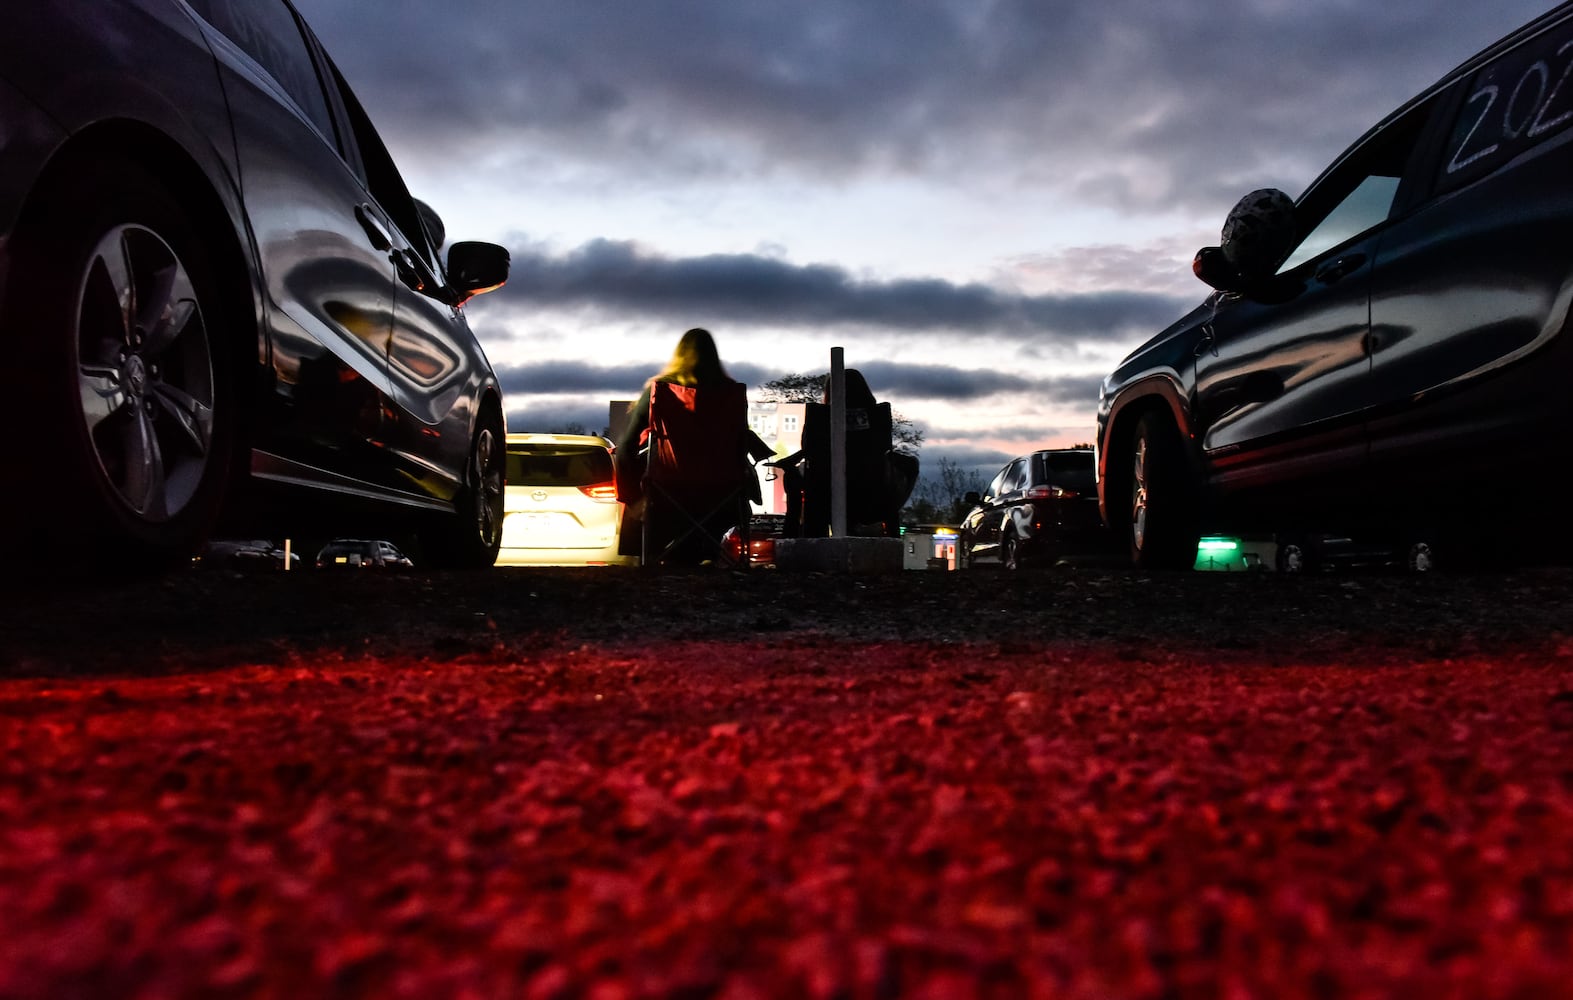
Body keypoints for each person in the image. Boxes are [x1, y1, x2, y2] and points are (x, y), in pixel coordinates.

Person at [615, 328, 769, 563]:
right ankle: (699, 552)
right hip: (722, 494)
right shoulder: (730, 395)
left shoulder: (661, 393)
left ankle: (650, 554)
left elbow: (626, 448)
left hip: (668, 492)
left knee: (634, 464)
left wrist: (633, 497)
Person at [781, 368, 918, 537]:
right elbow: (883, 447)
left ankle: (794, 534)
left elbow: (809, 449)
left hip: (825, 495)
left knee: (792, 476)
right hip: (871, 493)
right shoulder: (876, 416)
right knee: (909, 465)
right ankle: (890, 519)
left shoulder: (821, 417)